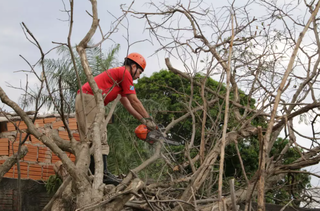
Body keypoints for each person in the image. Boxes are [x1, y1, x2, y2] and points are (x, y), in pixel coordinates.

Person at [75, 52, 157, 185]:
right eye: (139, 72)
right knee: (99, 136)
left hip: (86, 98)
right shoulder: (124, 73)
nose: (138, 76)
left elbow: (129, 106)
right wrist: (149, 119)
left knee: (90, 138)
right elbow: (134, 101)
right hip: (90, 99)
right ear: (133, 66)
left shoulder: (119, 80)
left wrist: (143, 120)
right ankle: (102, 174)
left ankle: (92, 174)